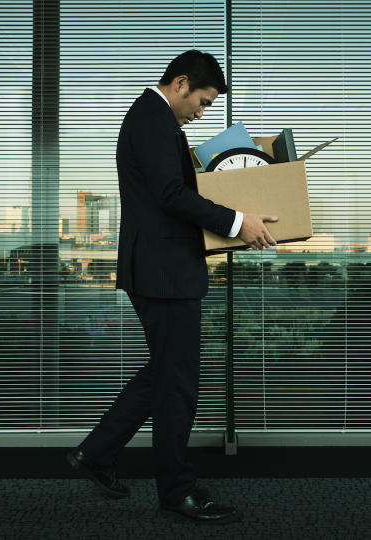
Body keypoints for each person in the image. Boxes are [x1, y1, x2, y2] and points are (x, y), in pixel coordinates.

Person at [66, 50, 278, 524]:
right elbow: (170, 194)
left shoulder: (156, 120)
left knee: (164, 372)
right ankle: (176, 493)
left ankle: (96, 454)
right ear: (180, 83)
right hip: (164, 273)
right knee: (177, 383)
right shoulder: (152, 120)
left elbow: (171, 190)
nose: (201, 113)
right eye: (202, 102)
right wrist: (238, 220)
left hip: (162, 268)